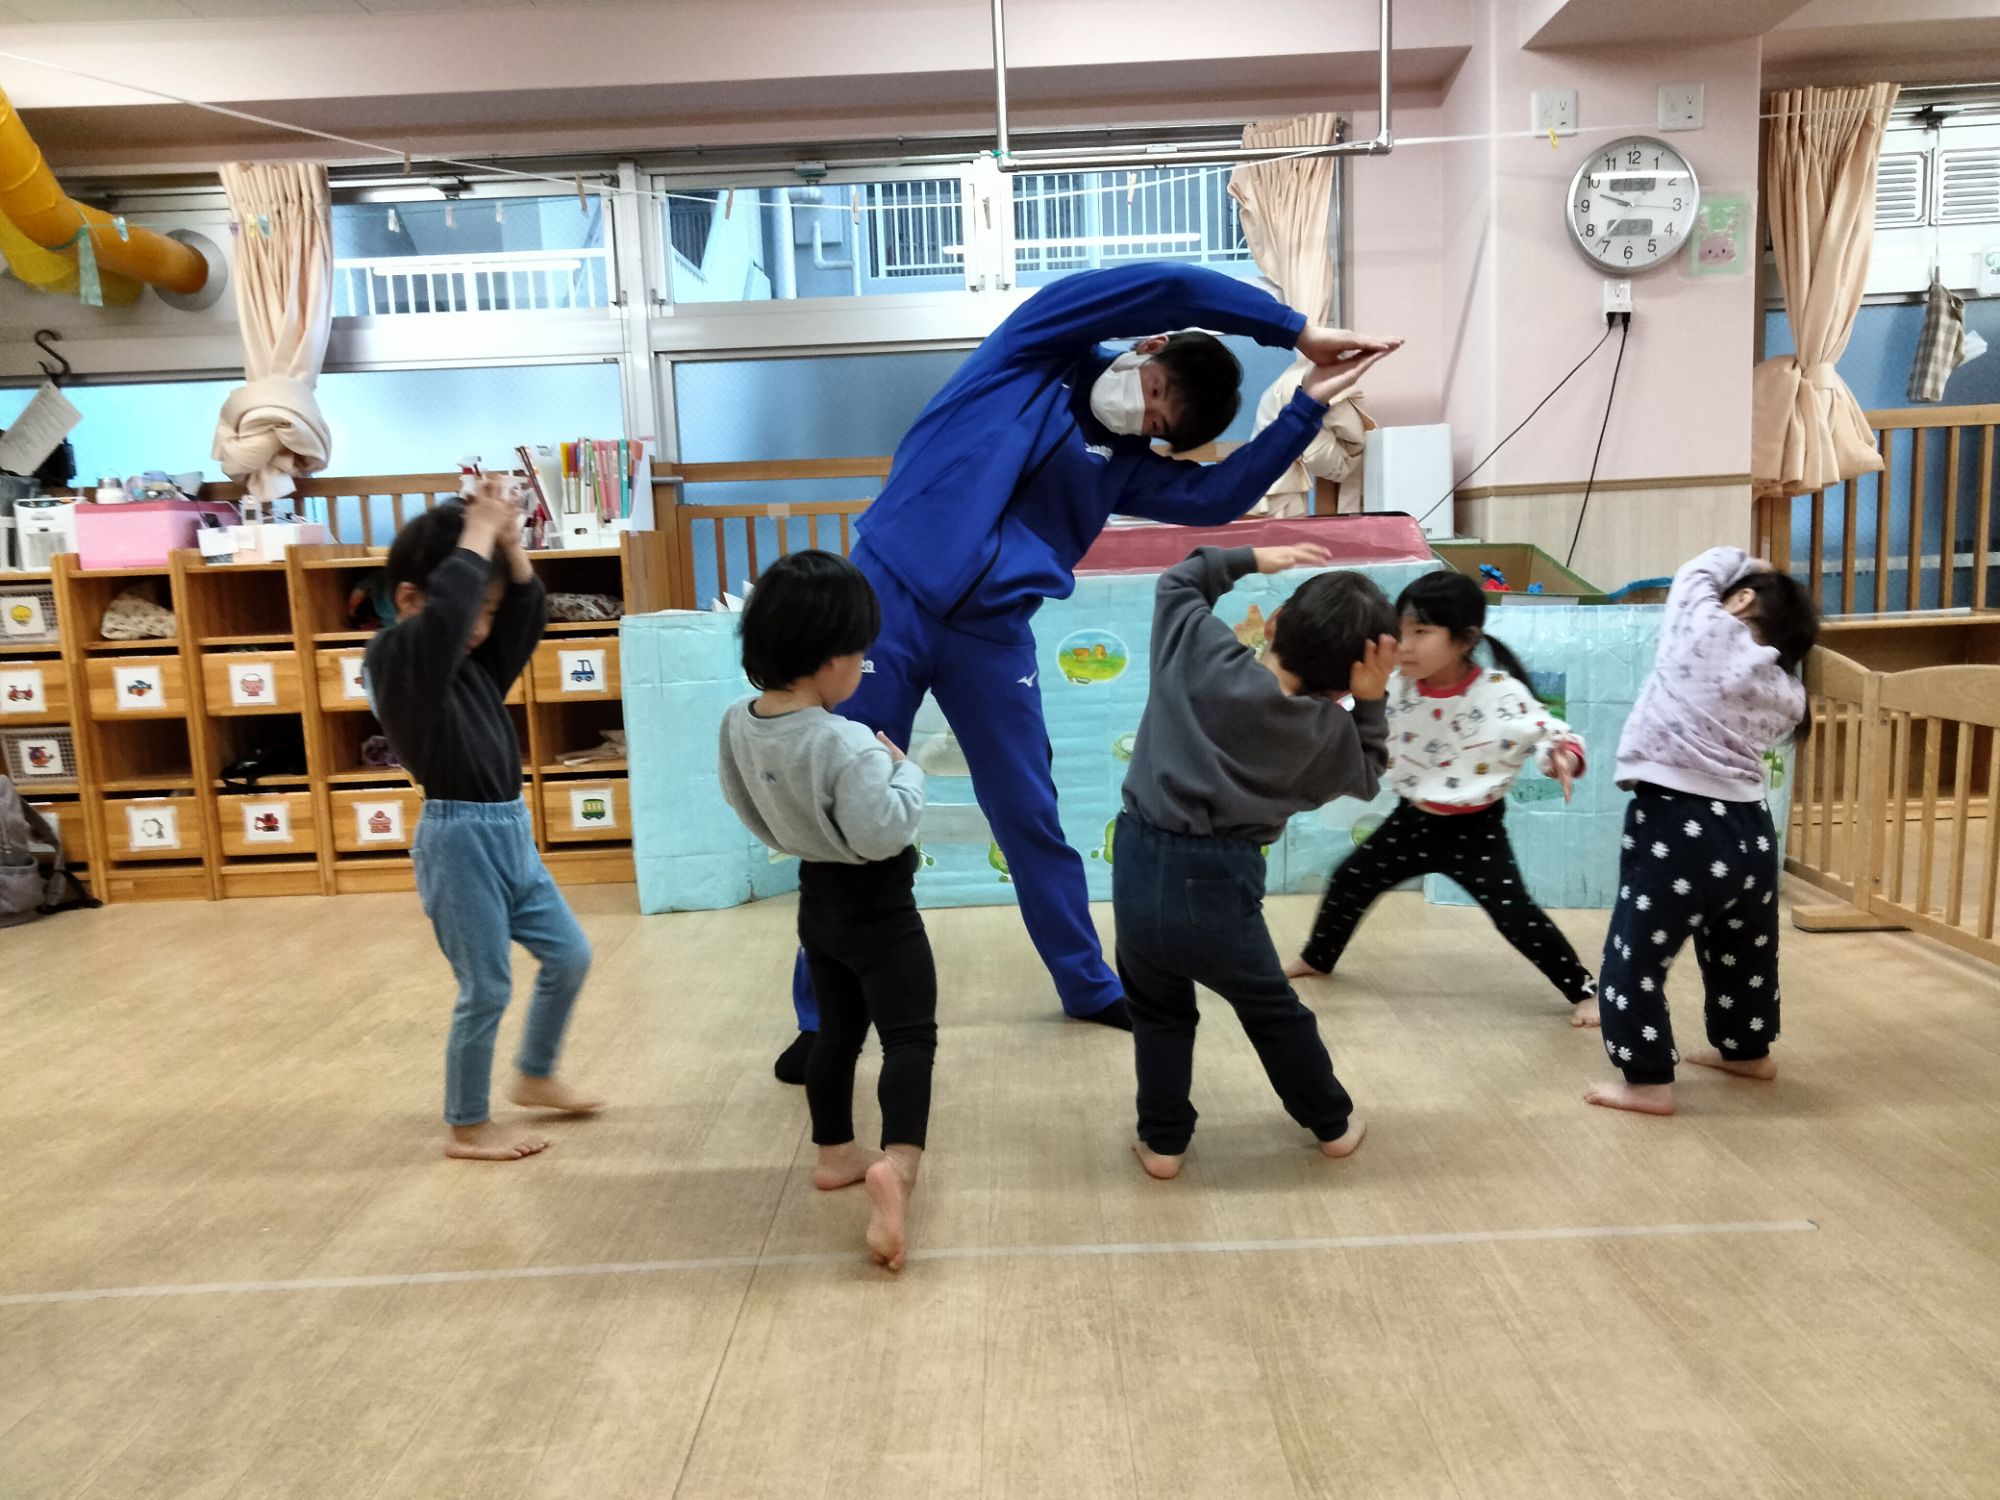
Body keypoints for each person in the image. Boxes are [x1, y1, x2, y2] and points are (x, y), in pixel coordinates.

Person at [774, 260, 1402, 1081]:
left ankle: (1086, 984)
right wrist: (1294, 330)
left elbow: (1217, 496)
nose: (1145, 414)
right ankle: (821, 1018)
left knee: (1029, 811)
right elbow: (1168, 285)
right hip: (883, 601)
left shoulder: (1123, 461)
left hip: (992, 633)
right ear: (1150, 348)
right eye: (1154, 392)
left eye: (1159, 422)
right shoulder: (1035, 348)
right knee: (847, 801)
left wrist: (1307, 407)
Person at [1115, 540, 1399, 1179]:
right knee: (1271, 1011)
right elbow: (1367, 770)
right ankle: (1331, 1125)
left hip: (1136, 860)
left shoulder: (1199, 652)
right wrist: (1371, 701)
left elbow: (1178, 583)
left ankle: (1163, 1144)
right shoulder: (1325, 732)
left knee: (1158, 1012)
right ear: (1345, 682)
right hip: (1221, 880)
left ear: (1272, 624)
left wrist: (1249, 560)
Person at [365, 478, 602, 1161]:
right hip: (458, 841)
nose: (481, 626)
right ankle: (467, 1124)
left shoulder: (473, 665)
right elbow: (447, 620)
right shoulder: (400, 661)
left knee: (570, 955)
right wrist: (474, 531)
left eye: (488, 612)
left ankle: (534, 1074)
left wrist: (507, 542)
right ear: (410, 600)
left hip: (509, 834)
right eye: (475, 609)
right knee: (487, 988)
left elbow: (528, 614)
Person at [719, 550, 934, 1271]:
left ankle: (835, 1152)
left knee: (837, 1033)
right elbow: (883, 834)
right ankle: (898, 1169)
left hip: (817, 903)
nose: (864, 666)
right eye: (860, 654)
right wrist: (906, 770)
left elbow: (749, 807)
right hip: (881, 910)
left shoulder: (740, 721)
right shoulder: (847, 741)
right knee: (909, 1038)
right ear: (830, 657)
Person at [1284, 570, 1599, 1022]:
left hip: (1476, 833)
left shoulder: (1500, 694)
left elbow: (1550, 732)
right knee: (1349, 880)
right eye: (1401, 631)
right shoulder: (1396, 684)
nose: (1406, 645)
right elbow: (1347, 711)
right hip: (1410, 822)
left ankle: (1585, 990)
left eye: (1422, 632)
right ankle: (1318, 957)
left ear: (1466, 639)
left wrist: (1562, 757)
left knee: (1515, 913)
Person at [1583, 548, 1819, 1116]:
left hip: (1678, 823)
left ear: (1742, 600)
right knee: (1745, 954)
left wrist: (1747, 561)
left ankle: (1646, 1080)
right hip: (1752, 833)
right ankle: (1748, 1053)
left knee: (1634, 954)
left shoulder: (1706, 632)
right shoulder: (1787, 690)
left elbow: (1695, 573)